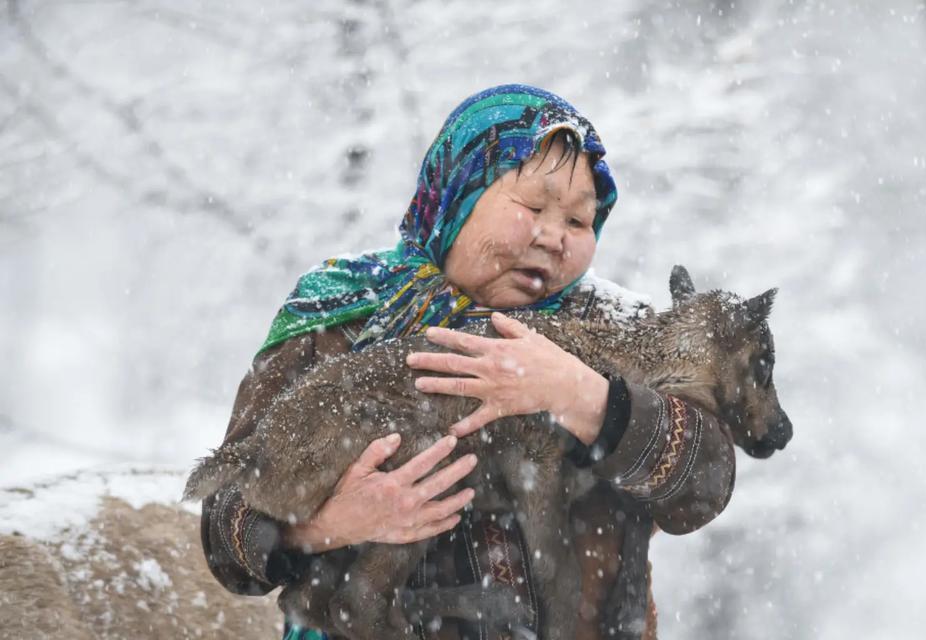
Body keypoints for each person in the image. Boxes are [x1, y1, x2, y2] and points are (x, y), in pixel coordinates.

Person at [200, 84, 737, 640]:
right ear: (458, 195)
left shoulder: (617, 325)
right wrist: (324, 526)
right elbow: (225, 526)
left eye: (579, 223)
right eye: (532, 206)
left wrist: (583, 396)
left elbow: (705, 483)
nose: (554, 238)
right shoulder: (342, 314)